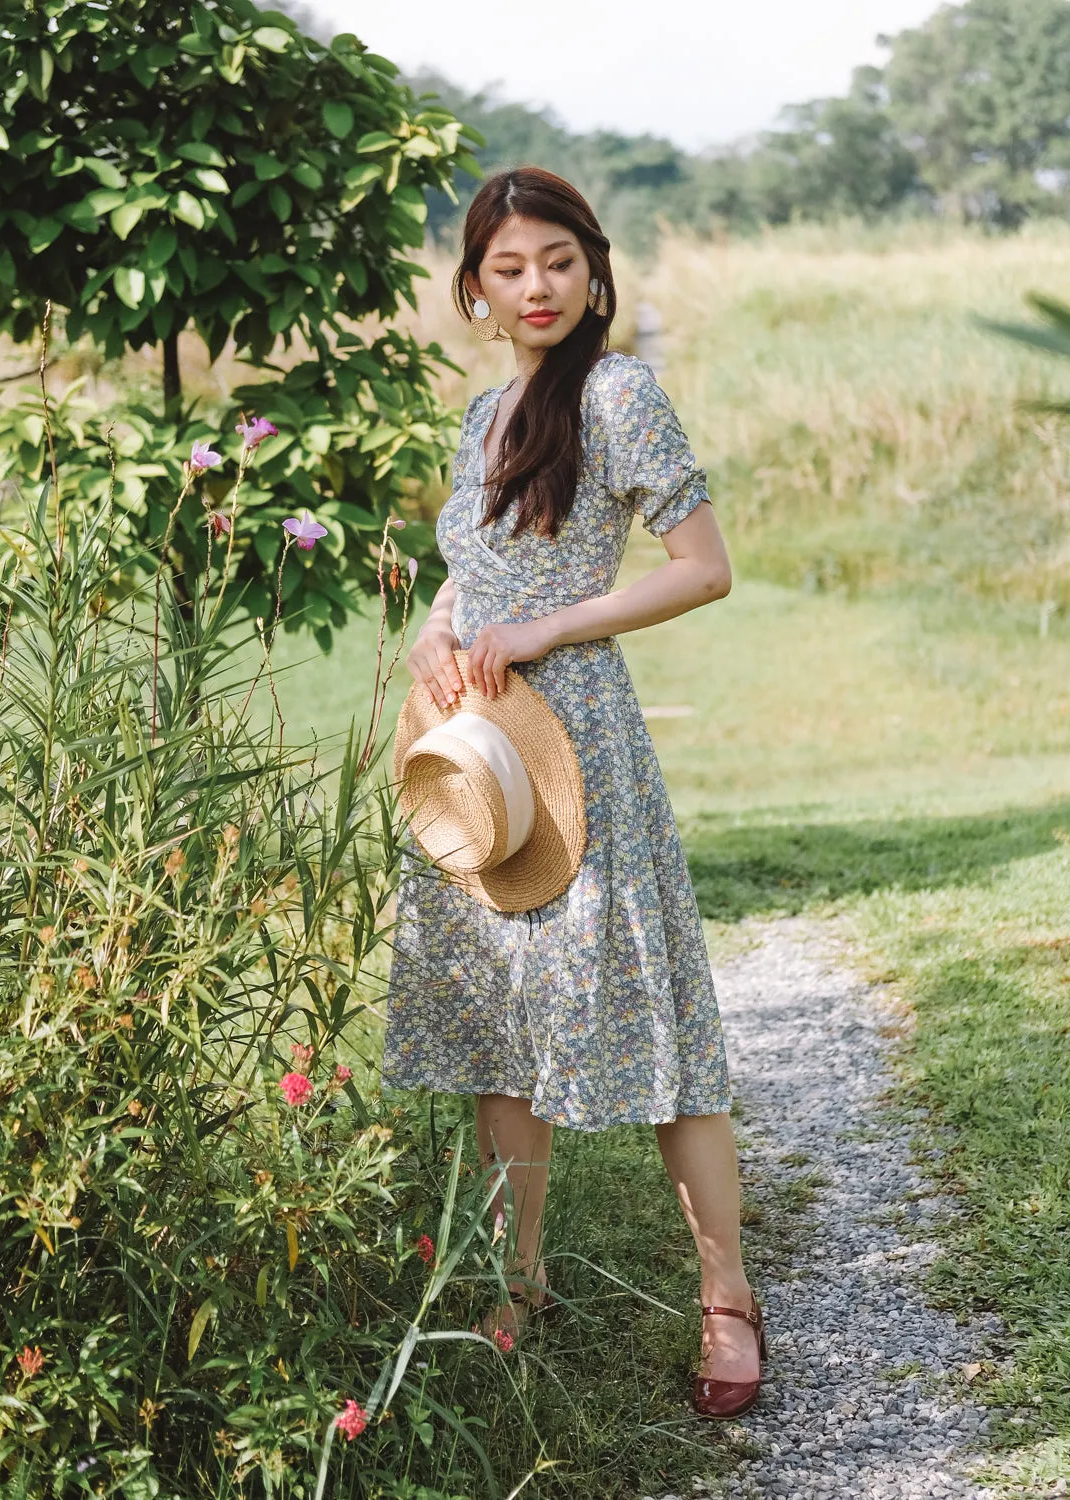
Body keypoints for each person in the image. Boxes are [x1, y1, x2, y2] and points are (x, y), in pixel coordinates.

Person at [382, 166, 766, 1419]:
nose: (534, 285)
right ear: (475, 290)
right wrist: (436, 634)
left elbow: (700, 568)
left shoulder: (619, 393)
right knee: (499, 1021)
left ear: (592, 270)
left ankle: (727, 1300)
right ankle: (518, 1281)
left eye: (555, 260)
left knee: (653, 1019)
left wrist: (551, 627)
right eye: (507, 267)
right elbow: (468, 571)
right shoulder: (485, 413)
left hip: (578, 742)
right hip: (477, 743)